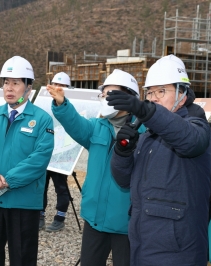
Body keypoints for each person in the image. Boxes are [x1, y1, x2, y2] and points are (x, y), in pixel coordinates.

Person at [108, 56, 211, 265]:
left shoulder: (197, 127)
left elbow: (189, 140)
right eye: (150, 92)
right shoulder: (148, 136)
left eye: (161, 91)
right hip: (142, 246)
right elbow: (123, 180)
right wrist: (122, 151)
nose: (153, 98)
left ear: (182, 94)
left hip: (177, 252)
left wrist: (148, 111)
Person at [47, 69, 144, 266]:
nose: (106, 99)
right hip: (94, 218)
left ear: (129, 98)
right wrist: (61, 104)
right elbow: (75, 124)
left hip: (127, 223)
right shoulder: (97, 126)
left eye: (112, 94)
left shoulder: (145, 132)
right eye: (103, 94)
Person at [0, 55, 54, 265]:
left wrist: (6, 181)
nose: (9, 88)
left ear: (28, 88)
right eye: (6, 82)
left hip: (24, 202)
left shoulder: (42, 120)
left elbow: (39, 160)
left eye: (15, 83)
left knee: (23, 258)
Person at [40, 72, 71, 232]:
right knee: (41, 185)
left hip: (62, 155)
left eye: (62, 86)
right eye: (55, 84)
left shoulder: (71, 106)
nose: (58, 88)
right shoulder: (45, 103)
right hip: (46, 152)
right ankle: (40, 215)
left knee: (61, 186)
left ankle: (60, 217)